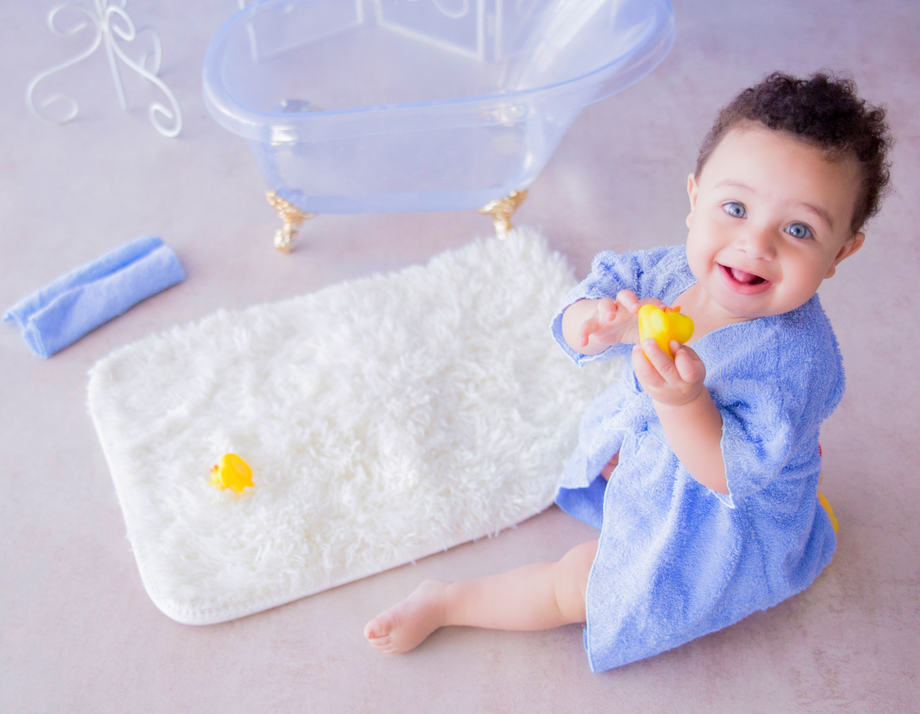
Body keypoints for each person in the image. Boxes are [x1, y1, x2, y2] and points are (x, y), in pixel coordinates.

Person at [364, 71, 892, 671]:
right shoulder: (670, 272)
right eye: (736, 208)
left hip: (723, 512)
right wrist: (593, 321)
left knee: (579, 585)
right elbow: (590, 297)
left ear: (840, 252)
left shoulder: (792, 362)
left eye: (798, 229)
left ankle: (448, 602)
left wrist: (682, 404)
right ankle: (631, 466)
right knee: (611, 448)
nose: (756, 244)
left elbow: (729, 475)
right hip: (664, 444)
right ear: (695, 198)